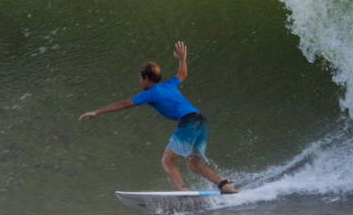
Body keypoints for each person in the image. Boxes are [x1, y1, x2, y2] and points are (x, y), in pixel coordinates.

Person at [79, 41, 237, 193]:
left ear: (146, 79)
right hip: (201, 122)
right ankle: (225, 186)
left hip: (189, 122)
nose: (139, 81)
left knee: (167, 161)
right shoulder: (169, 84)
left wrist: (97, 112)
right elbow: (183, 73)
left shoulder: (150, 93)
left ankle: (183, 190)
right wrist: (182, 59)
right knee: (194, 164)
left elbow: (123, 104)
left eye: (140, 78)